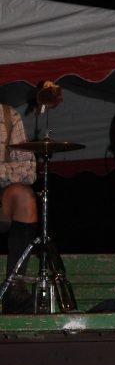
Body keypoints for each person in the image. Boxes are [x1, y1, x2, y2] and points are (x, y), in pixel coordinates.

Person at [0, 103, 38, 314]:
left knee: (24, 196)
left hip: (2, 197)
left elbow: (28, 170)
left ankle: (14, 288)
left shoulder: (8, 115)